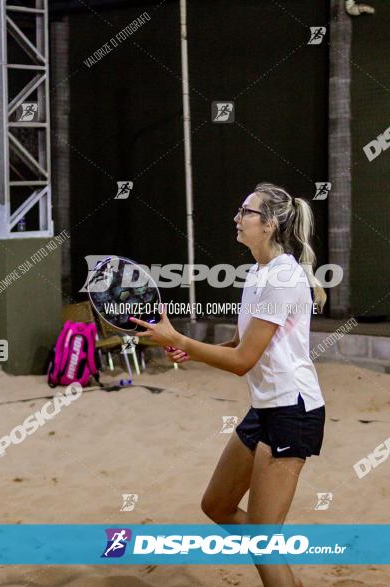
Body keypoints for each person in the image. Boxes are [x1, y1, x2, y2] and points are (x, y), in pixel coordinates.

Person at [131, 182, 326, 587]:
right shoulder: (257, 272)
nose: (237, 218)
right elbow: (239, 344)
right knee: (217, 504)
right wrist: (190, 350)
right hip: (266, 409)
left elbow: (242, 362)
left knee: (262, 541)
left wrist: (180, 340)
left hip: (294, 411)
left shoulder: (284, 277)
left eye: (246, 212)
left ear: (270, 224)